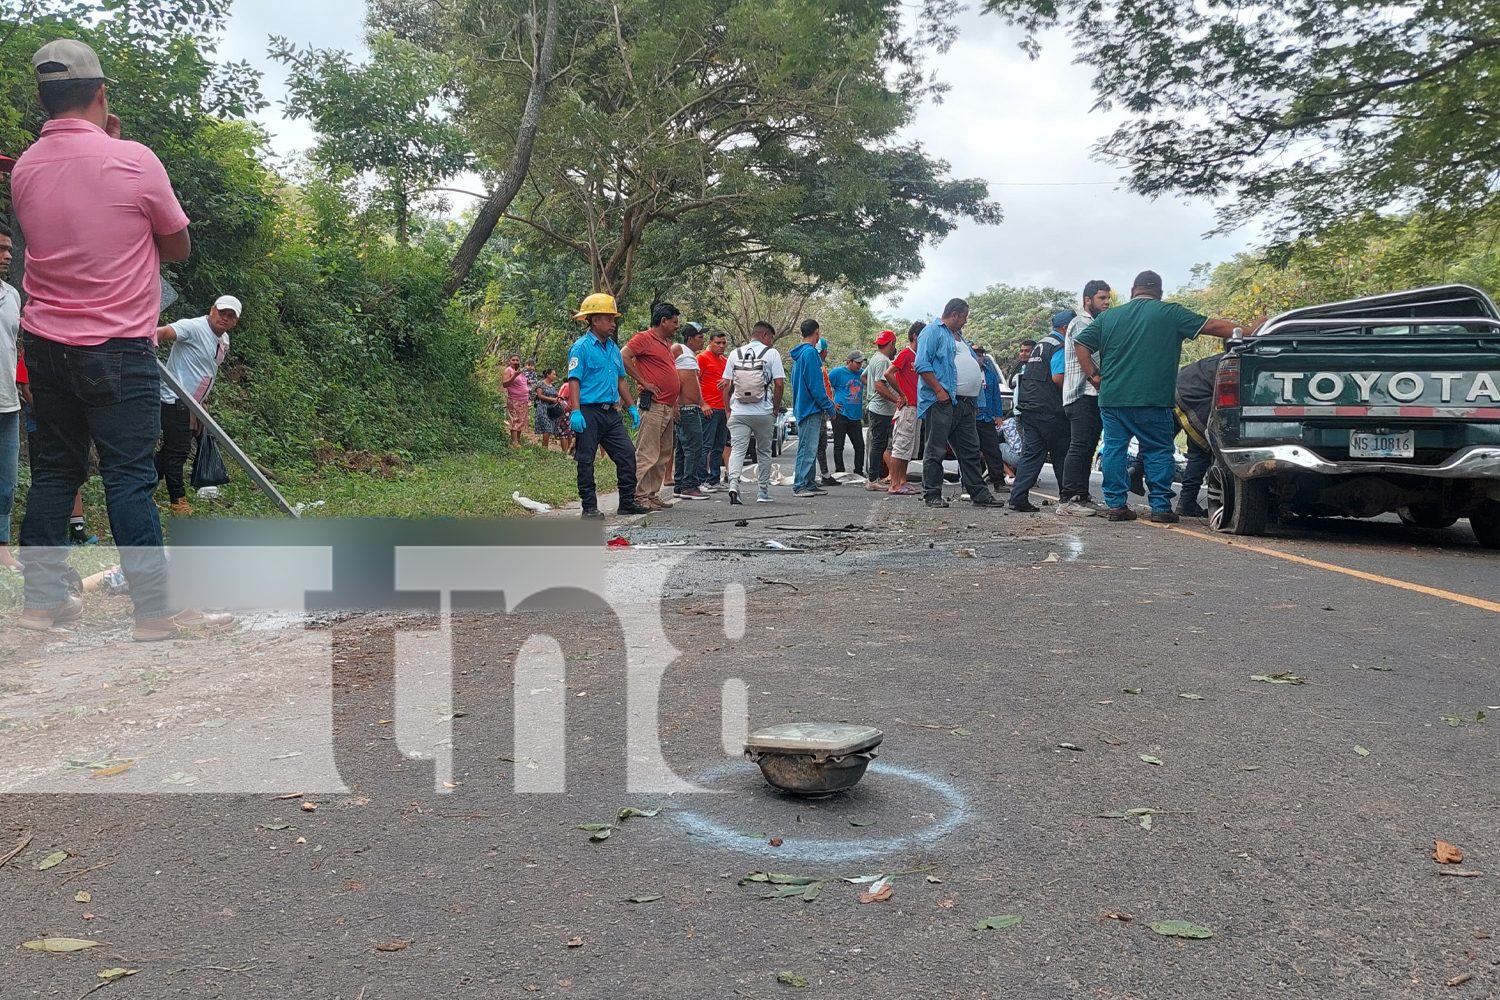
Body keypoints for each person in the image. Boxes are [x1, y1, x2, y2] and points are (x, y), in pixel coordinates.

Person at [13, 39, 233, 640]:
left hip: (44, 346)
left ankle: (40, 605)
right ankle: (154, 614)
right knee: (129, 476)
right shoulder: (134, 159)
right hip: (115, 348)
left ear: (41, 98)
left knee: (57, 473)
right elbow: (179, 246)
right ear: (102, 93)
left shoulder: (27, 167)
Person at [1074, 269, 1252, 522]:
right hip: (1153, 398)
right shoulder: (1171, 313)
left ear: (1133, 291)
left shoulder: (1109, 317)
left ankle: (1116, 505)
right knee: (1158, 450)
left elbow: (1081, 344)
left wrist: (1094, 376)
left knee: (1114, 448)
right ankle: (1159, 507)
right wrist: (1250, 329)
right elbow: (1212, 326)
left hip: (1112, 397)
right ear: (1159, 292)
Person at [153, 295, 240, 515]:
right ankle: (177, 499)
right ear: (212, 310)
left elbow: (205, 373)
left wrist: (199, 407)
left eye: (231, 316)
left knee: (172, 451)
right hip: (174, 399)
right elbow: (163, 332)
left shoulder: (224, 340)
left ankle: (141, 482)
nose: (225, 318)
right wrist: (141, 339)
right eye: (222, 313)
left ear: (235, 321)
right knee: (178, 451)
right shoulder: (193, 327)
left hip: (192, 405)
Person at [566, 293, 651, 519]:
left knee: (627, 455)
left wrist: (632, 407)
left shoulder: (613, 348)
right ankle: (589, 507)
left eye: (613, 319)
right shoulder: (581, 348)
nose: (613, 324)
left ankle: (626, 502)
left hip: (611, 413)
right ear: (594, 320)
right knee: (586, 459)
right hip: (588, 412)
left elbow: (620, 380)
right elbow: (574, 380)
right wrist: (575, 411)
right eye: (608, 319)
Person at [914, 299, 1003, 509]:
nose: (965, 322)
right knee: (936, 449)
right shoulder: (932, 331)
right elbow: (921, 364)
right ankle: (932, 494)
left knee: (970, 450)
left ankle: (979, 494)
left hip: (965, 403)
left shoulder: (959, 337)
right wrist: (939, 391)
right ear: (954, 314)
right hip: (943, 401)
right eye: (964, 317)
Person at [1009, 311, 1074, 512]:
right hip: (1050, 410)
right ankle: (1069, 498)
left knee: (1032, 454)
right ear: (1066, 328)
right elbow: (1057, 377)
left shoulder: (1039, 345)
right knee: (1061, 453)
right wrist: (1074, 390)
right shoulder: (1059, 347)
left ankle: (1017, 497)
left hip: (1029, 408)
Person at [1057, 281, 1112, 515]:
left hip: (1089, 395)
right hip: (1082, 393)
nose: (1107, 302)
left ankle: (1081, 495)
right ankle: (1067, 499)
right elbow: (1088, 354)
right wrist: (1097, 378)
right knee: (1079, 447)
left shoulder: (1094, 323)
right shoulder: (1081, 322)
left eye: (1108, 298)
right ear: (1087, 300)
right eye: (1101, 298)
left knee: (1087, 448)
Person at [718, 320, 786, 505]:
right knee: (763, 452)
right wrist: (775, 408)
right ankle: (762, 492)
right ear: (764, 335)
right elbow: (779, 384)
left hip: (739, 411)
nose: (771, 342)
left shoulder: (734, 353)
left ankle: (733, 485)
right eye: (770, 337)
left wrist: (727, 410)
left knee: (738, 451)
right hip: (763, 412)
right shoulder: (771, 354)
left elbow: (726, 385)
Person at [622, 302, 681, 510]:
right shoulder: (644, 338)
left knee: (664, 452)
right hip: (652, 404)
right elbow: (623, 356)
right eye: (674, 322)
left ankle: (652, 494)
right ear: (663, 321)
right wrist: (643, 381)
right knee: (647, 451)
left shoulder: (665, 343)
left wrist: (674, 403)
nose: (677, 326)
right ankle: (637, 495)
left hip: (667, 405)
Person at [1173, 351, 1223, 518]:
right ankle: (1186, 502)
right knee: (1201, 450)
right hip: (1195, 398)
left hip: (1176, 390)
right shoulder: (1237, 361)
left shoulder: (1217, 359)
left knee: (1160, 443)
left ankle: (1137, 467)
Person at [790, 321, 835, 497]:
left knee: (809, 446)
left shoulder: (800, 354)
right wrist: (829, 407)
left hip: (803, 405)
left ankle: (808, 482)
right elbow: (816, 387)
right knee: (807, 449)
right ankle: (800, 484)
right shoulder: (810, 354)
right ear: (817, 333)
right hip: (810, 407)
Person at [670, 323, 710, 500]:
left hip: (692, 408)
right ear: (690, 338)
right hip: (684, 408)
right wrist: (674, 402)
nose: (703, 340)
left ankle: (680, 484)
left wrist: (701, 402)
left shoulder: (691, 355)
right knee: (694, 447)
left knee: (683, 447)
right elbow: (665, 369)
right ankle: (689, 485)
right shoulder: (678, 348)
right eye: (700, 337)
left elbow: (693, 382)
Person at [884, 322, 924, 495]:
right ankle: (894, 483)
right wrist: (902, 394)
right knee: (900, 446)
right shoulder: (906, 353)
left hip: (916, 406)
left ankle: (902, 480)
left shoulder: (918, 355)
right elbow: (889, 373)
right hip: (907, 407)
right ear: (915, 336)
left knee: (908, 447)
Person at [0, 224, 20, 571]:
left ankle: (1, 548)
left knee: (6, 483)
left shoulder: (12, 295)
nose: (7, 256)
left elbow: (17, 344)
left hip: (8, 402)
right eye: (1, 249)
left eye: (10, 251)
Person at [864, 330, 899, 489]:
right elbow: (879, 385)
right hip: (880, 408)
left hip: (877, 407)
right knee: (878, 444)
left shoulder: (874, 358)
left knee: (879, 443)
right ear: (891, 343)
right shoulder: (883, 361)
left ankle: (875, 476)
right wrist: (897, 399)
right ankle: (873, 479)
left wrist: (871, 391)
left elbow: (863, 377)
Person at [973, 345, 1008, 494]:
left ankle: (998, 482)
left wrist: (998, 415)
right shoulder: (965, 373)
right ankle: (970, 483)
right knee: (971, 452)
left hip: (987, 418)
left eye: (980, 355)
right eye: (975, 355)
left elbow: (996, 396)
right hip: (971, 418)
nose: (978, 358)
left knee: (993, 451)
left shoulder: (990, 374)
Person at [697, 329, 730, 487]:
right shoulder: (702, 358)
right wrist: (701, 403)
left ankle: (714, 479)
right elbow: (693, 382)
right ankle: (702, 479)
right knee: (705, 446)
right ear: (710, 342)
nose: (721, 346)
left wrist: (728, 382)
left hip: (723, 409)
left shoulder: (725, 361)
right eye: (718, 343)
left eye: (723, 343)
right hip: (708, 409)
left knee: (719, 446)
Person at [828, 350, 865, 476]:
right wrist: (831, 402)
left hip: (855, 415)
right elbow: (823, 386)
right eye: (857, 362)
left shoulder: (862, 373)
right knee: (839, 444)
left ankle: (859, 471)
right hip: (840, 413)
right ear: (849, 361)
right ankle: (840, 471)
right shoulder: (837, 373)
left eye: (861, 363)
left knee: (859, 445)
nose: (859, 365)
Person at [501, 354, 529, 448]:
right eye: (513, 360)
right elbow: (505, 384)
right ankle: (514, 442)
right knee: (515, 419)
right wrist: (514, 376)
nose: (516, 362)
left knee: (521, 420)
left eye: (517, 360)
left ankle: (518, 440)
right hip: (514, 399)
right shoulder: (508, 370)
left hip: (523, 399)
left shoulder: (520, 371)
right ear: (509, 361)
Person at [534, 367, 563, 451]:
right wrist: (552, 399)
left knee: (550, 427)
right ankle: (544, 448)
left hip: (552, 409)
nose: (555, 376)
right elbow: (540, 396)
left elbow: (557, 394)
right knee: (547, 427)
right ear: (548, 375)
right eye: (553, 374)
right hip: (543, 408)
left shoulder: (553, 386)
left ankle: (545, 447)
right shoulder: (540, 384)